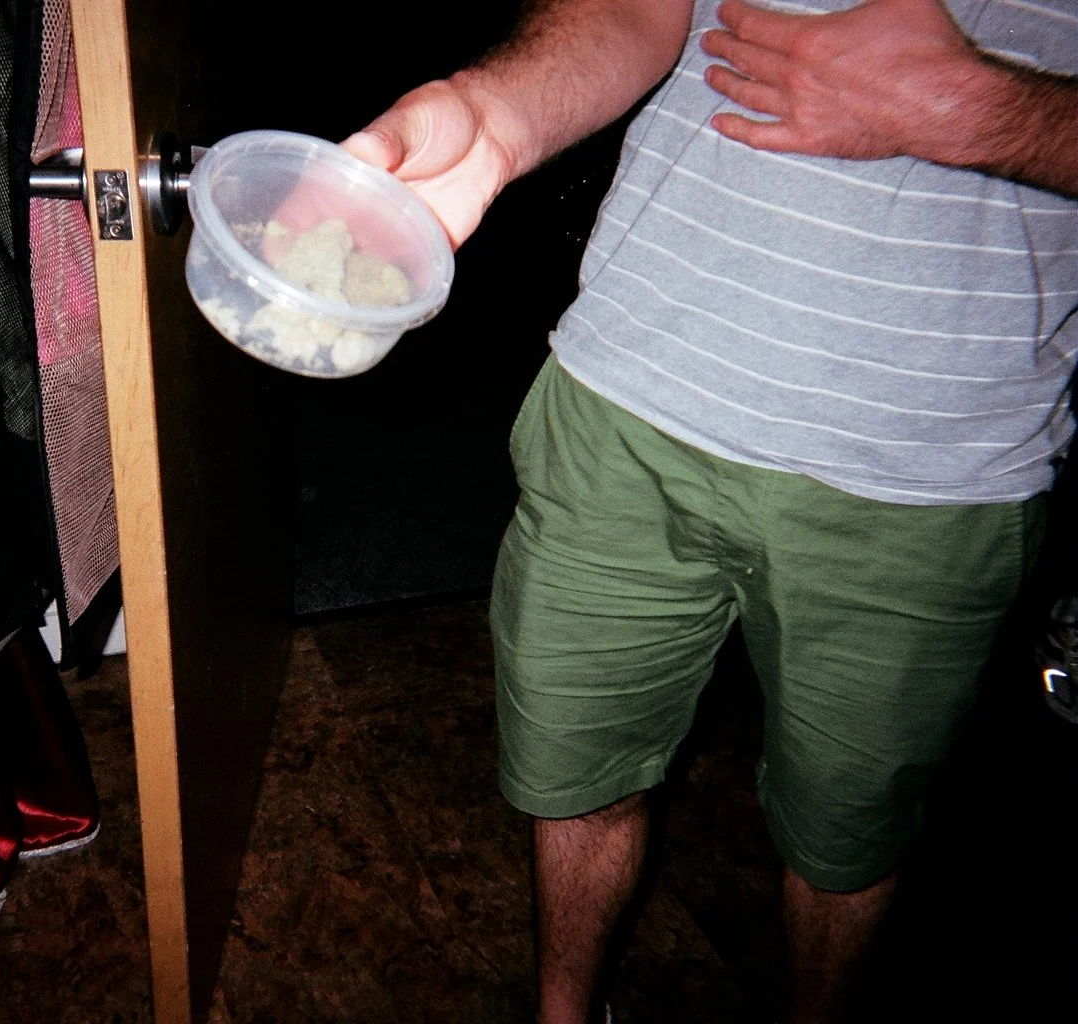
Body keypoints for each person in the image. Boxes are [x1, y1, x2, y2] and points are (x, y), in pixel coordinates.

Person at [340, 1, 1078, 1021]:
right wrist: (493, 116)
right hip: (623, 407)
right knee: (574, 778)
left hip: (928, 477)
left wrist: (981, 108)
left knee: (845, 841)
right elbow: (632, 10)